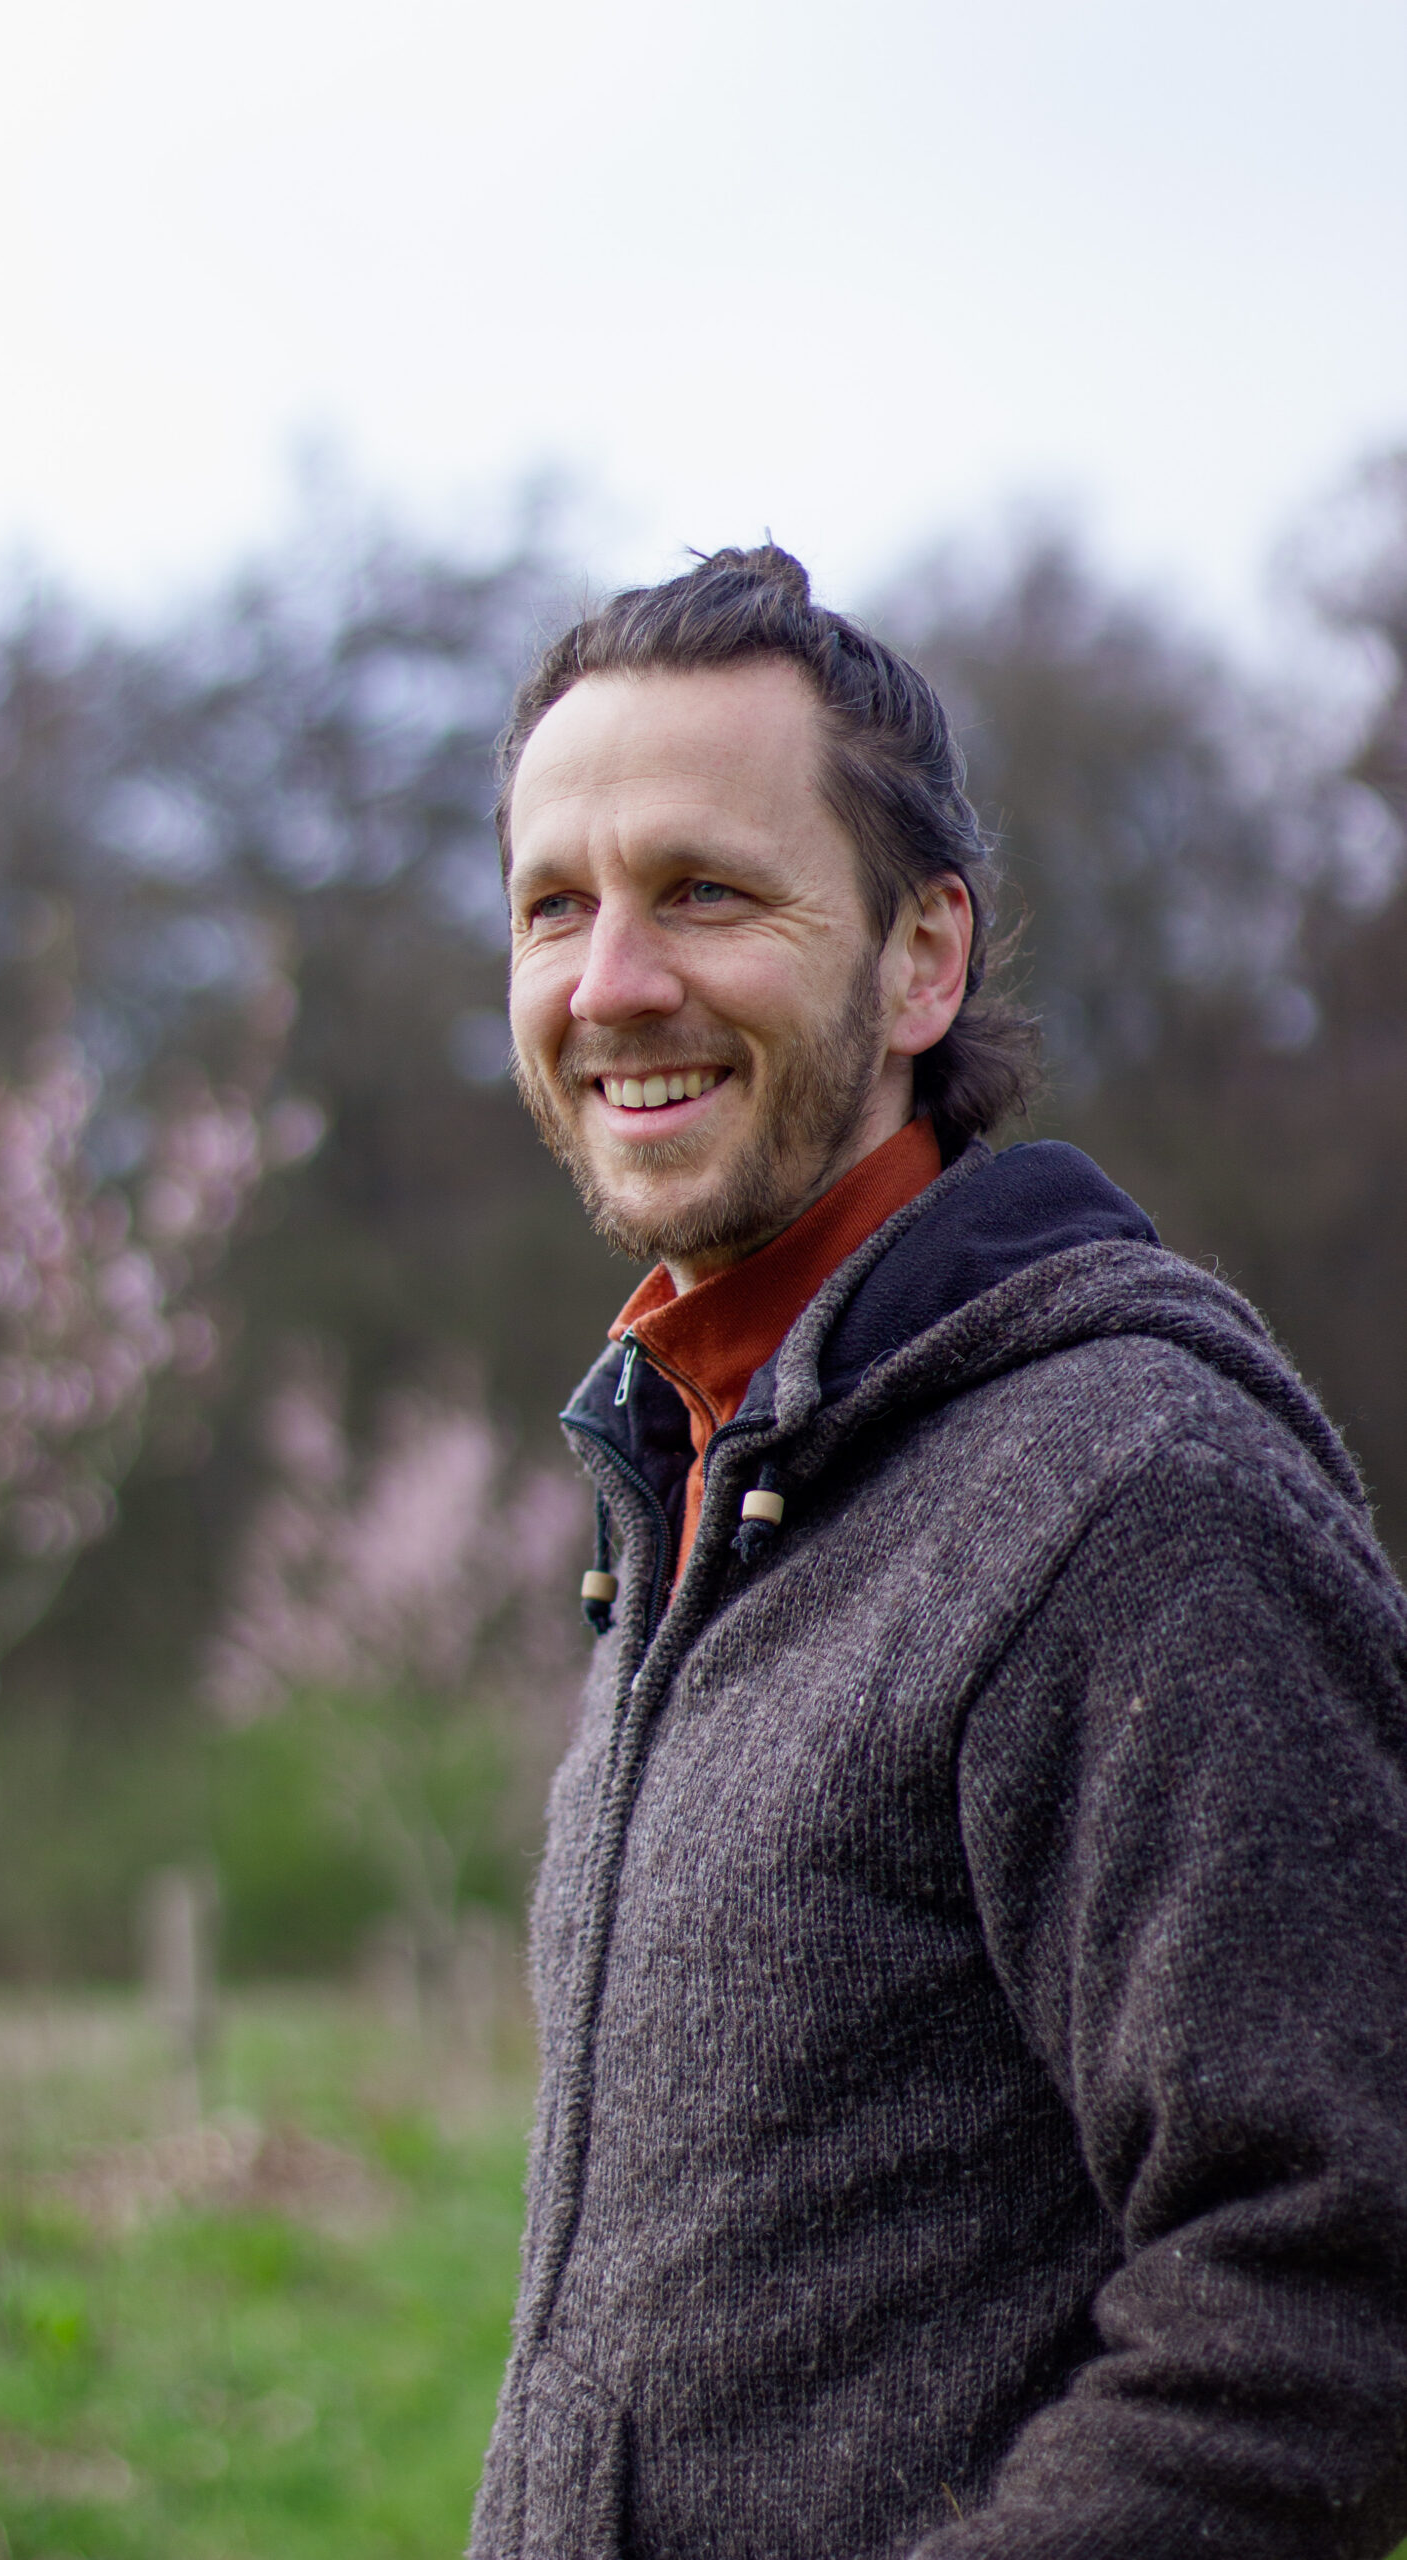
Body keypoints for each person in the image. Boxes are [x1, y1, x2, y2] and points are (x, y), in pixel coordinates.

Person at [469, 544, 1407, 2560]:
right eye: (555, 904)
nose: (608, 983)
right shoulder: (701, 1469)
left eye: (703, 891)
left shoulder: (1128, 1494)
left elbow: (1335, 2280)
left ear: (919, 959)